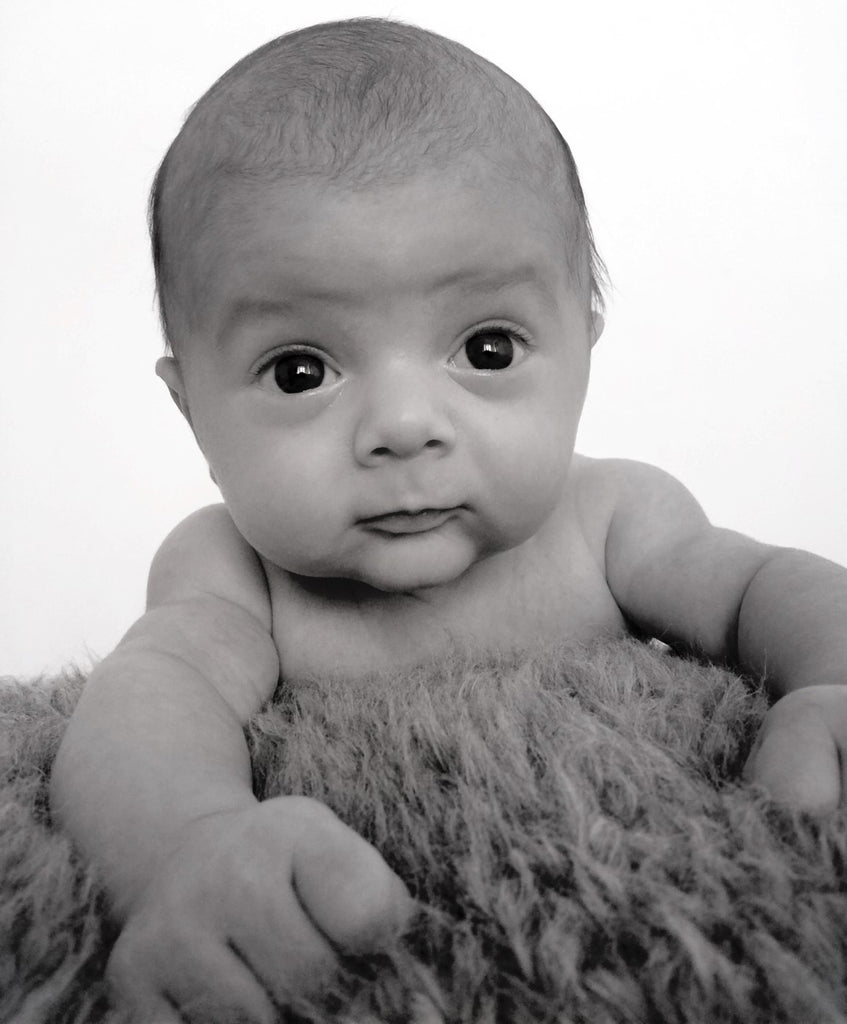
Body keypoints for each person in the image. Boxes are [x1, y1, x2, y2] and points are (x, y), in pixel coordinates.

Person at [49, 17, 847, 1023]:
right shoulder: (230, 571)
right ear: (191, 411)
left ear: (583, 343)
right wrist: (183, 846)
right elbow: (146, 697)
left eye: (486, 348)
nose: (403, 426)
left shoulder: (610, 518)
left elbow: (760, 585)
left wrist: (830, 681)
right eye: (299, 370)